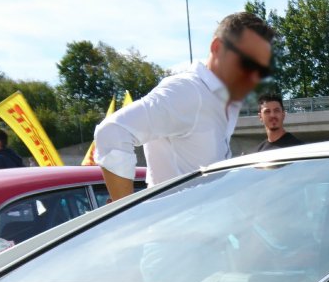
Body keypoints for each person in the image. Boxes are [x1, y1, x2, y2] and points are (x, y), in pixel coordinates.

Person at [95, 11, 274, 199]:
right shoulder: (187, 91)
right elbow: (112, 132)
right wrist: (127, 216)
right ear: (217, 47)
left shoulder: (224, 103)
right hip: (174, 226)